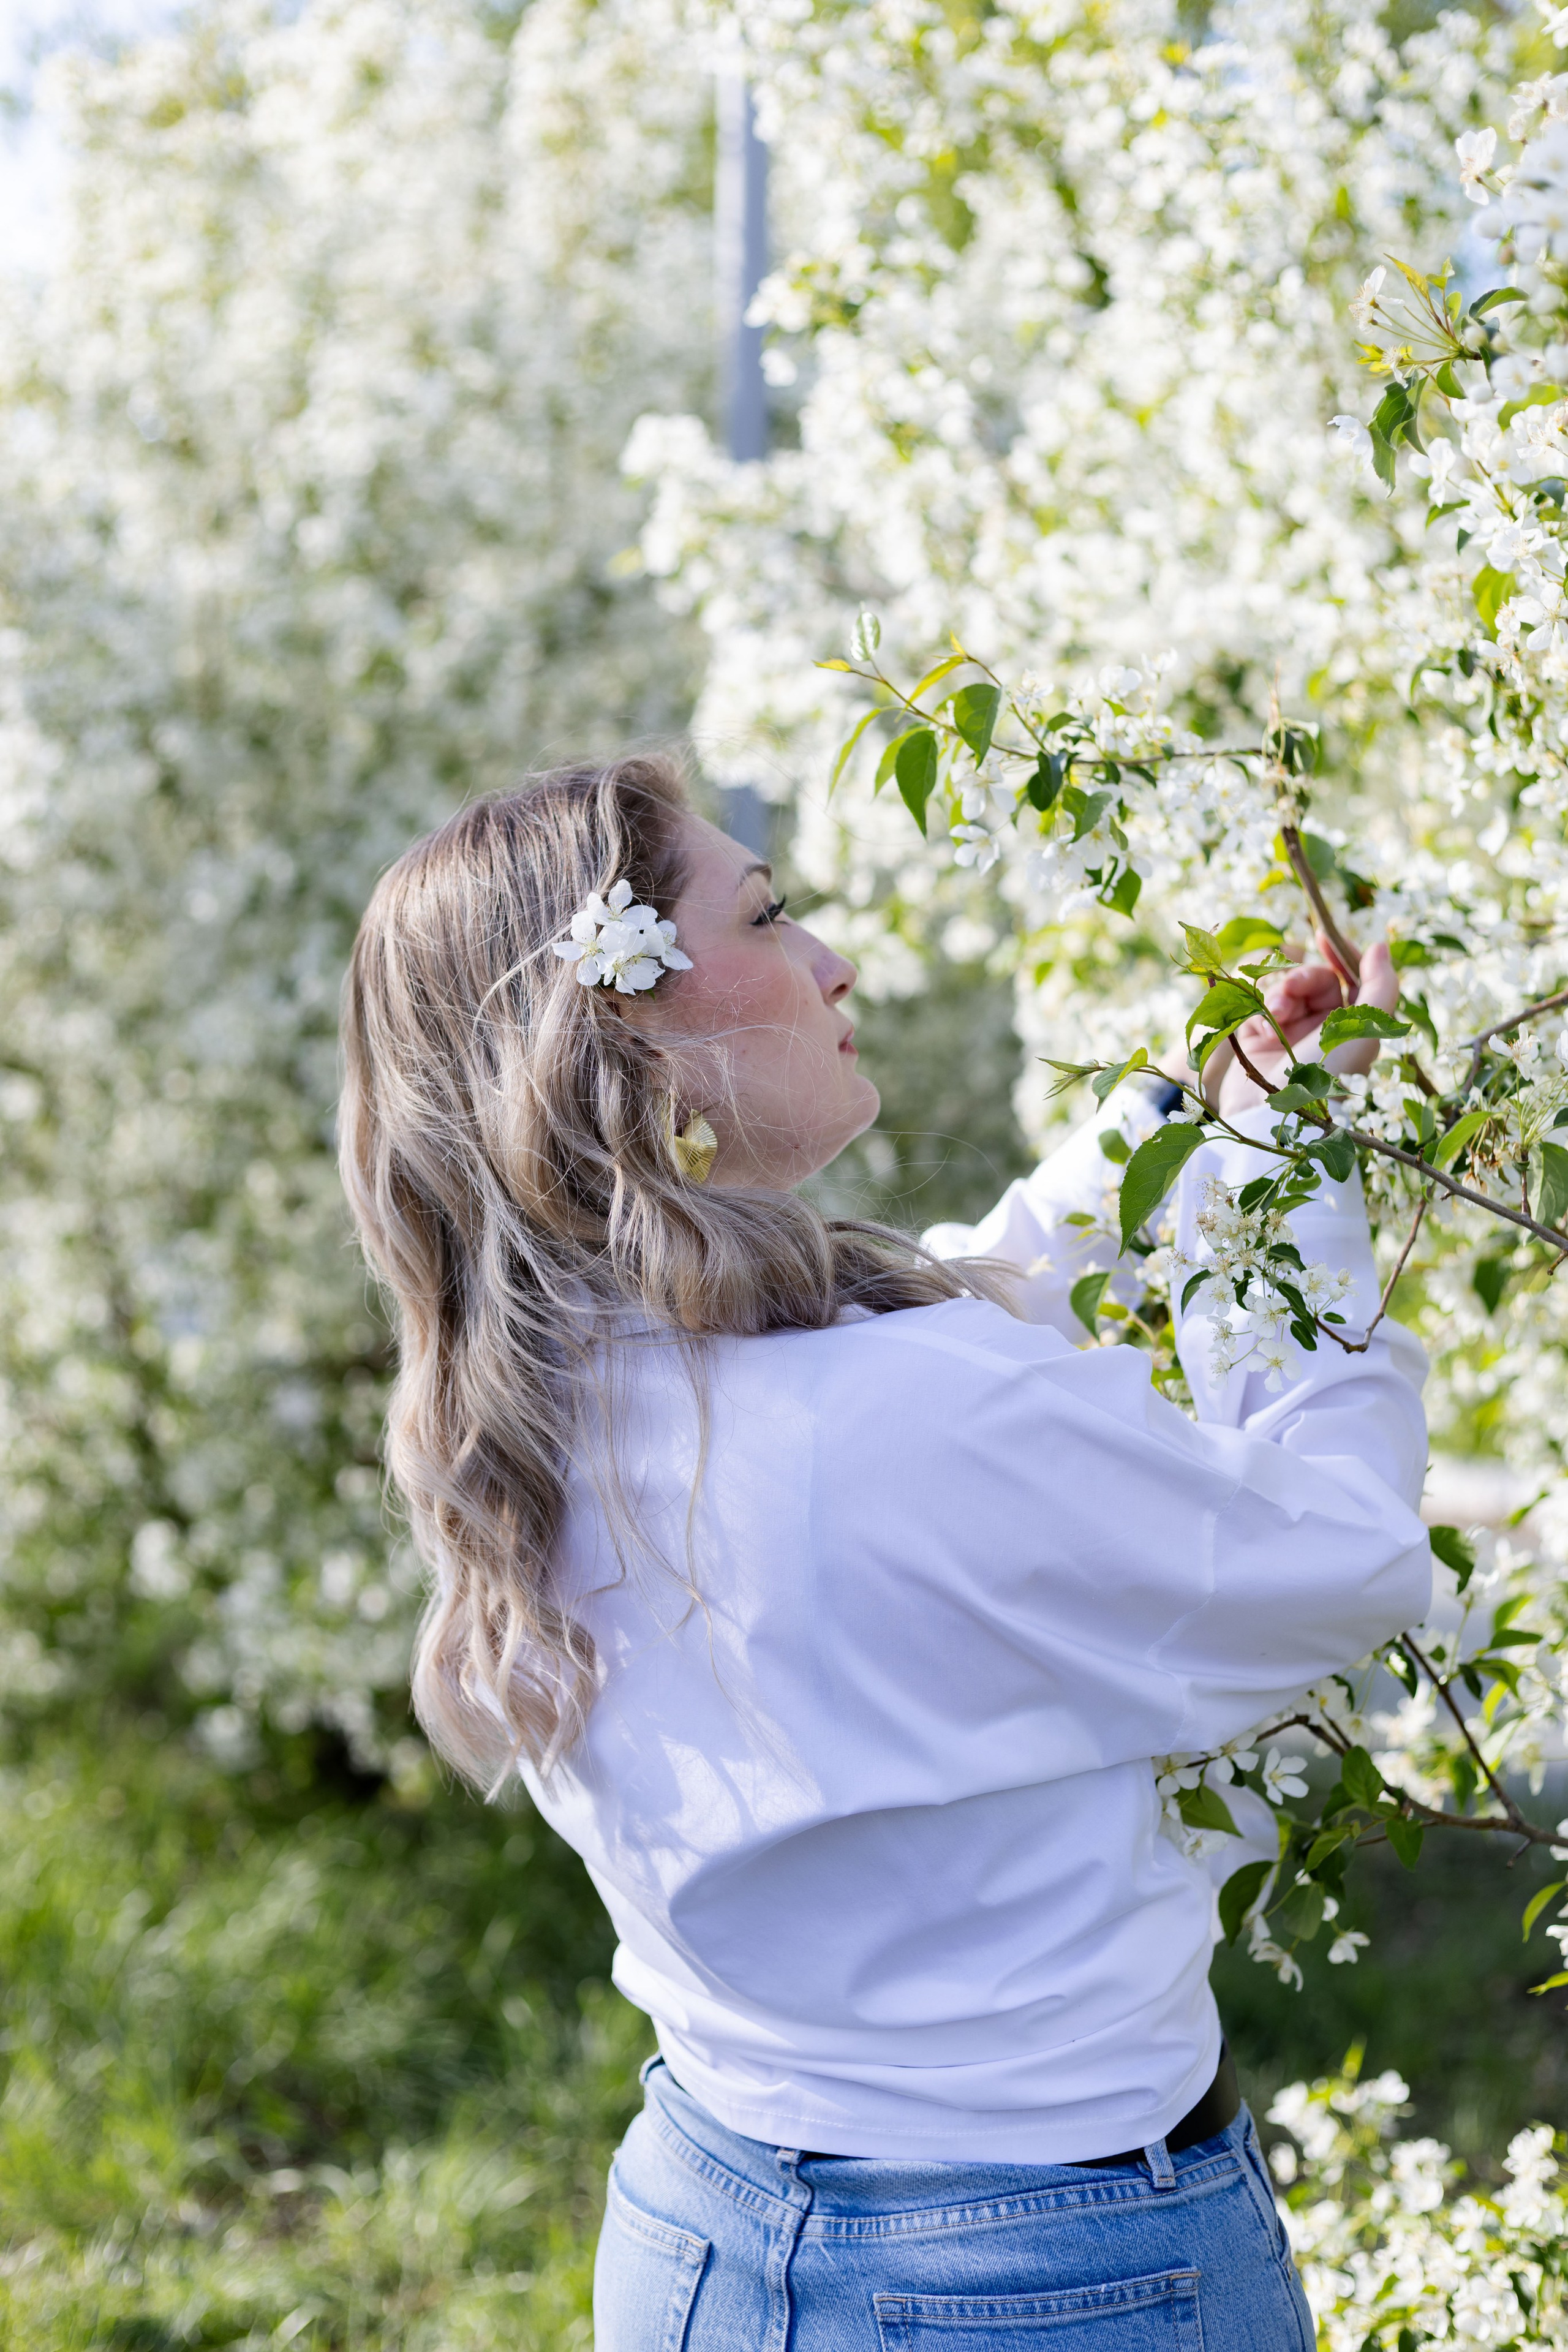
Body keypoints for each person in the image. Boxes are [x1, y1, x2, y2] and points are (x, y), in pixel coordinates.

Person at [339, 753, 1430, 2351]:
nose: (835, 962)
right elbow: (1348, 1557)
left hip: (705, 2231)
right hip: (1047, 2283)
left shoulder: (541, 1397)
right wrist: (1297, 1194)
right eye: (768, 916)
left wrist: (1172, 1125)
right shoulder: (908, 1417)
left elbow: (933, 1327)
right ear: (625, 1031)